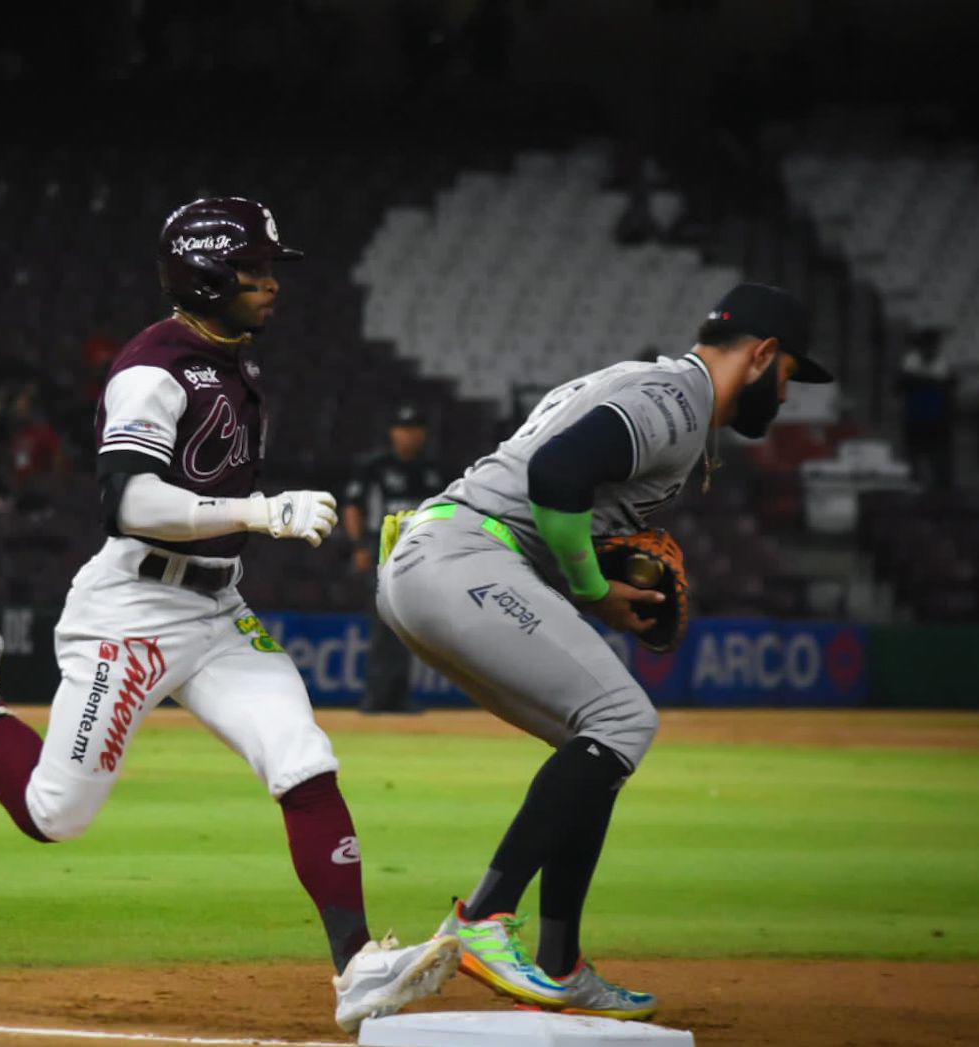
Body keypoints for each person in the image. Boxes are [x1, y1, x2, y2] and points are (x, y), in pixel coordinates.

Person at [0, 198, 458, 1034]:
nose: (270, 283)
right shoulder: (152, 368)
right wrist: (260, 513)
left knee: (302, 757)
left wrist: (246, 526)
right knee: (55, 813)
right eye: (255, 269)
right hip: (133, 610)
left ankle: (358, 966)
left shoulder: (236, 358)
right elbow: (129, 499)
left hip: (217, 606)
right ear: (208, 274)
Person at [377, 283, 834, 1018]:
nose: (785, 395)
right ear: (763, 356)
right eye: (787, 376)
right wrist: (591, 587)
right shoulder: (676, 401)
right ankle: (482, 920)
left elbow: (556, 475)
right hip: (463, 556)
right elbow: (555, 474)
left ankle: (560, 960)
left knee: (597, 743)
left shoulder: (644, 387)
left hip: (436, 560)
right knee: (625, 719)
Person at [342, 404, 445, 713]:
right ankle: (376, 695)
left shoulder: (432, 470)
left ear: (423, 433)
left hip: (419, 552)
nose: (408, 435)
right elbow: (352, 507)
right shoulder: (375, 467)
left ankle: (399, 694)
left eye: (414, 429)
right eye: (403, 429)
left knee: (409, 625)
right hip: (382, 550)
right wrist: (359, 546)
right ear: (392, 432)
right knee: (383, 622)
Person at [898, 329, 955, 491]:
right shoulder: (910, 362)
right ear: (921, 346)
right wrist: (931, 381)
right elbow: (900, 385)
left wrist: (925, 380)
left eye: (933, 346)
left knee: (938, 460)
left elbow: (949, 385)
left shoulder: (943, 363)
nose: (930, 349)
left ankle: (941, 491)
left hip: (937, 420)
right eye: (927, 345)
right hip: (915, 419)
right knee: (913, 458)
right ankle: (913, 487)